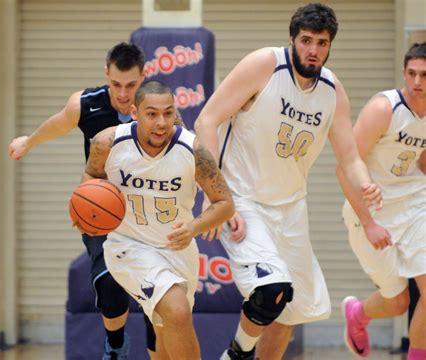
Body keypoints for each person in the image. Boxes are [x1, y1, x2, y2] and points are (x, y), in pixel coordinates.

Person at [194, 3, 391, 360]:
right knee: (271, 292)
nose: (313, 50)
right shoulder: (263, 65)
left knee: (290, 311)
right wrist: (216, 196)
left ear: (330, 46)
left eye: (321, 42)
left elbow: (349, 158)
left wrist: (366, 184)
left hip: (290, 209)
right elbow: (206, 121)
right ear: (293, 39)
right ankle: (235, 355)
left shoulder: (332, 91)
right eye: (306, 40)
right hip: (243, 200)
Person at [9, 42, 149, 359]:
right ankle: (115, 347)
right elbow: (58, 123)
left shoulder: (156, 107)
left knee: (159, 297)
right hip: (102, 206)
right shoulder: (85, 104)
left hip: (146, 210)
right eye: (116, 84)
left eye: (131, 84)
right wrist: (28, 142)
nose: (124, 93)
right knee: (110, 287)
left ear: (143, 76)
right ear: (106, 75)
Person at [81, 80, 235, 359]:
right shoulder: (108, 142)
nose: (161, 121)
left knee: (167, 330)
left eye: (167, 112)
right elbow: (91, 178)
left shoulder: (193, 151)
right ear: (135, 112)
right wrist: (88, 209)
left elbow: (225, 204)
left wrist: (194, 227)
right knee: (176, 310)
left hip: (178, 250)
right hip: (128, 245)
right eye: (152, 113)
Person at [339, 42, 426, 359]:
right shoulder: (383, 109)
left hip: (415, 204)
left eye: (425, 75)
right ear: (404, 72)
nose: (417, 82)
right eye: (411, 74)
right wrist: (369, 222)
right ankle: (357, 314)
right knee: (398, 301)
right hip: (371, 209)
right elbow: (345, 165)